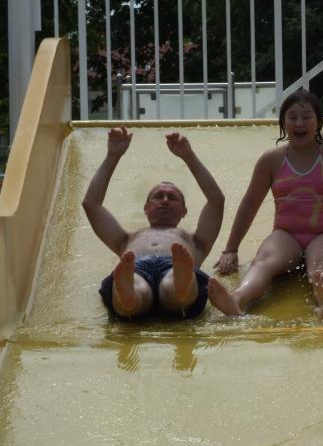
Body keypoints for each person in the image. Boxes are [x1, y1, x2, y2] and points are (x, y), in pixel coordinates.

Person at [209, 89, 323, 318]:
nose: (299, 123)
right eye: (292, 117)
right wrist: (231, 249)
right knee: (263, 262)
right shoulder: (271, 160)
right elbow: (249, 204)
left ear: (318, 122)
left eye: (306, 117)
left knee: (322, 270)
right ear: (283, 122)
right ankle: (237, 300)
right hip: (287, 235)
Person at [82, 128, 225, 319]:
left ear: (184, 211)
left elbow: (216, 201)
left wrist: (188, 156)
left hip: (175, 267)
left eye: (172, 198)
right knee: (137, 284)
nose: (165, 200)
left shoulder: (196, 242)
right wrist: (112, 156)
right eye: (158, 196)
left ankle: (179, 287)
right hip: (135, 268)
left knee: (171, 282)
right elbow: (91, 205)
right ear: (146, 208)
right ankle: (130, 296)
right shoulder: (125, 240)